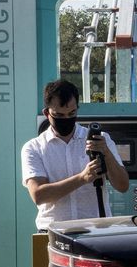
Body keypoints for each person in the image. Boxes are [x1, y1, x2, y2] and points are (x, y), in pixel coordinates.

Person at [21, 79, 129, 230]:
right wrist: (82, 178)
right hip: (53, 232)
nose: (66, 119)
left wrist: (107, 154)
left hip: (95, 230)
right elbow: (39, 195)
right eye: (59, 115)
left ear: (77, 109)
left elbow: (123, 186)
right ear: (47, 113)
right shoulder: (33, 148)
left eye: (71, 113)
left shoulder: (101, 139)